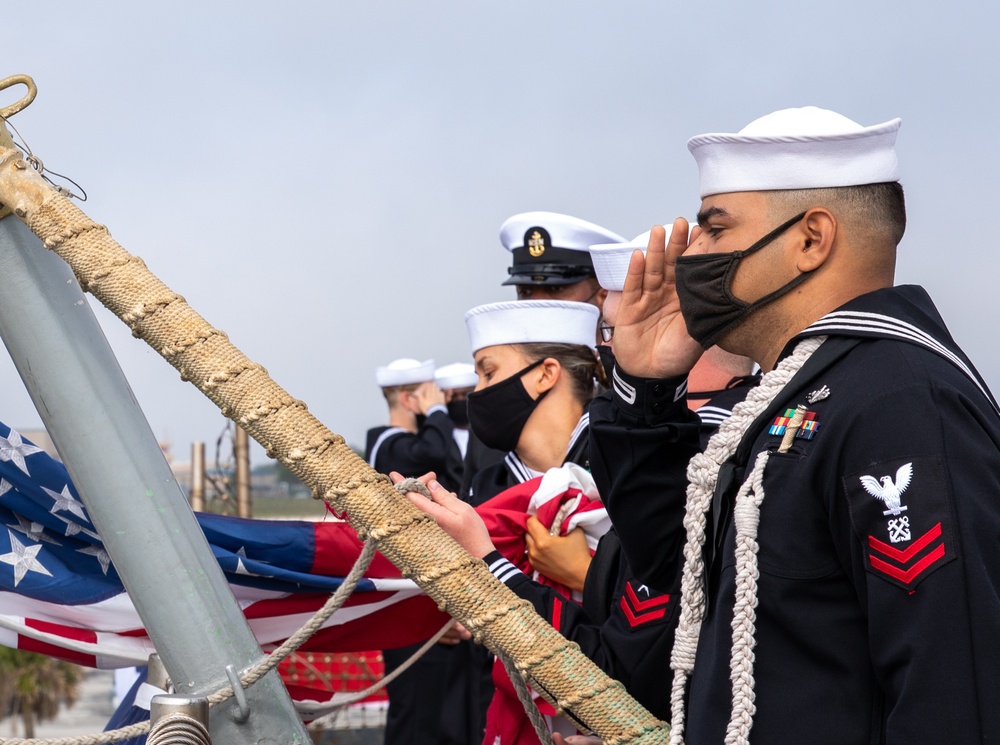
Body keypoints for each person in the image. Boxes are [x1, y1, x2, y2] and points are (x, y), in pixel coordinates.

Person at [590, 107, 1000, 744]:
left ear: (812, 239)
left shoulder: (898, 399)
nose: (689, 258)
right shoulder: (794, 396)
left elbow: (952, 689)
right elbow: (671, 571)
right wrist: (645, 391)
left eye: (714, 230)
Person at [363, 357, 461, 745]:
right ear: (408, 398)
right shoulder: (396, 449)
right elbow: (438, 453)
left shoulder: (388, 445)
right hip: (412, 593)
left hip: (417, 591)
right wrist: (436, 409)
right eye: (430, 394)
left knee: (431, 708)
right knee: (417, 711)